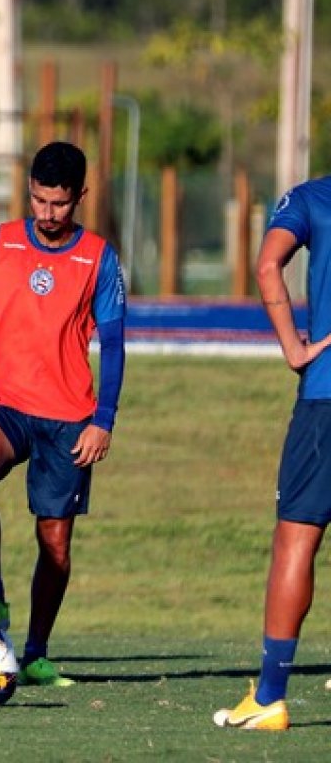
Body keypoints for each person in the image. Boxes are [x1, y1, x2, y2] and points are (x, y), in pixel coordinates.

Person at [0, 141, 126, 688]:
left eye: (59, 204)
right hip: (5, 402)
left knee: (55, 542)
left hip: (70, 415)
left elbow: (114, 344)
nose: (47, 214)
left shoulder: (99, 257)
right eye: (39, 200)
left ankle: (39, 652)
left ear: (81, 197)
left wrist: (105, 418)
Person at [212, 175, 331, 731]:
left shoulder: (312, 198)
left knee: (297, 539)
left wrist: (292, 346)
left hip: (326, 396)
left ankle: (270, 696)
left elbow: (267, 266)